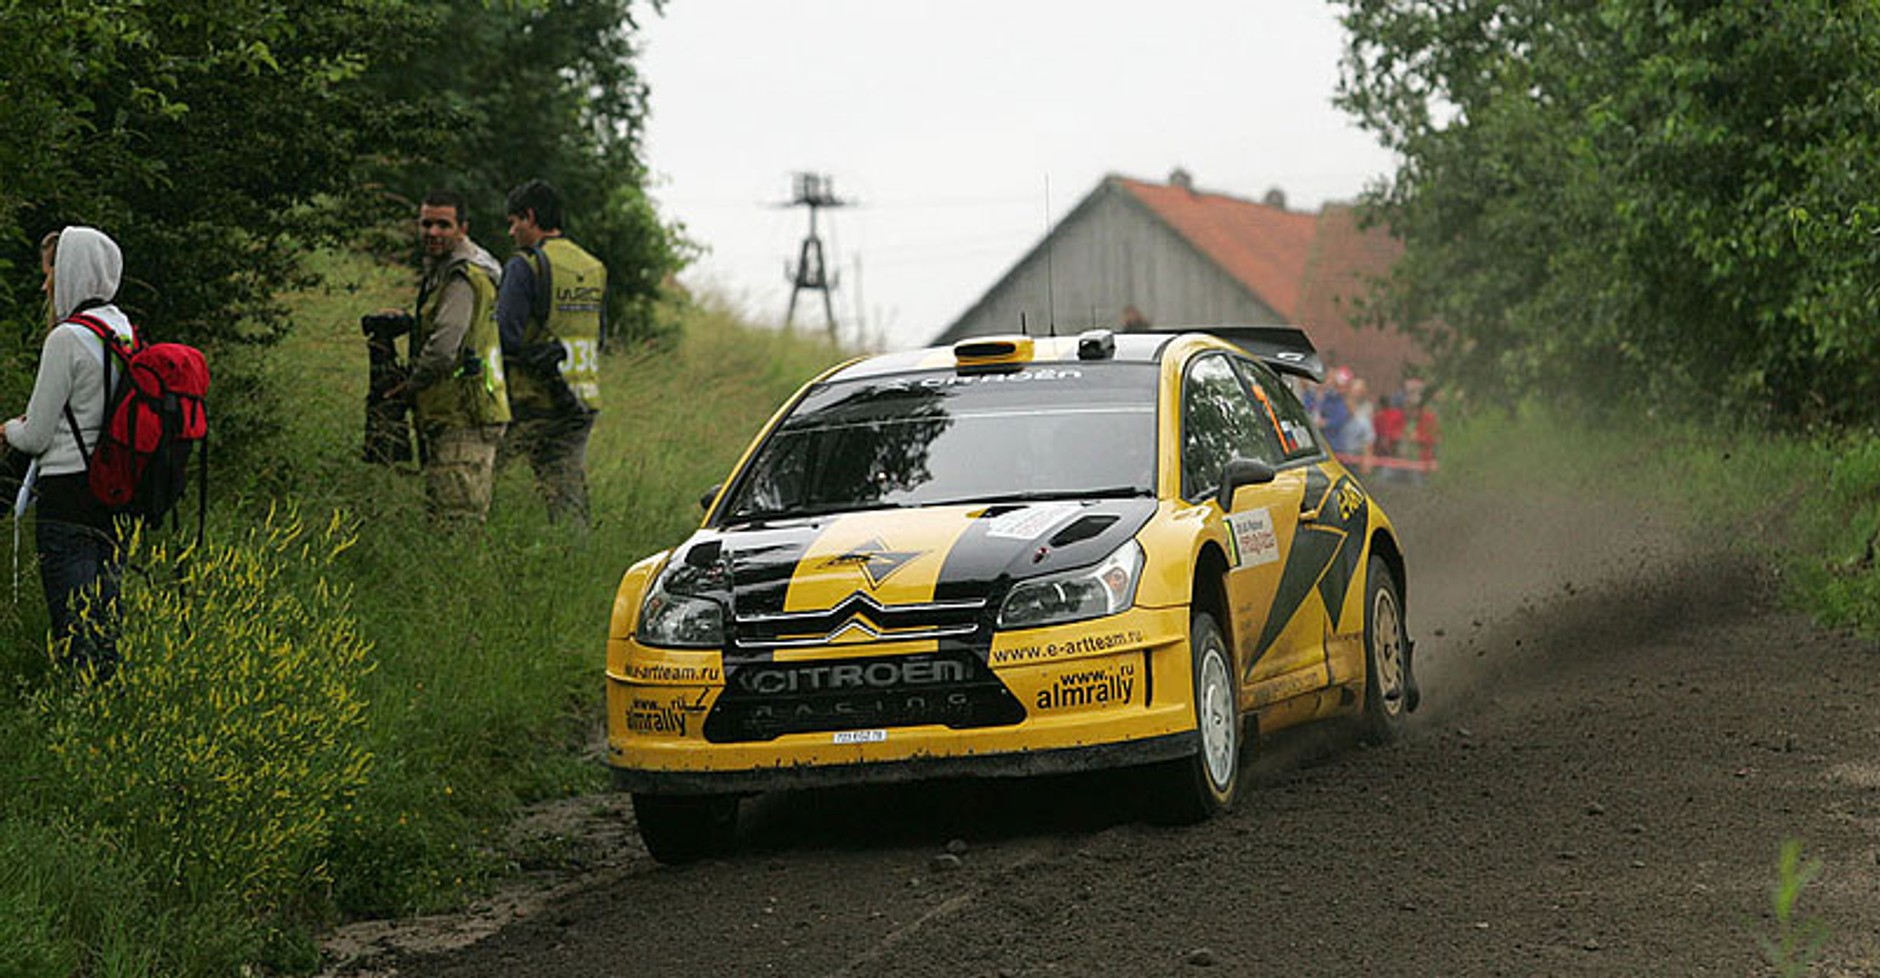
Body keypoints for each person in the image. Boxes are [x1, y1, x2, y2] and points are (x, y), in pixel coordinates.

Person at [1, 227, 136, 677]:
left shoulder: (66, 339)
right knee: (105, 628)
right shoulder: (123, 331)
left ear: (73, 272)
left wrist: (7, 429)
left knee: (74, 632)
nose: (45, 285)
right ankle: (108, 720)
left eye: (51, 273)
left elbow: (37, 436)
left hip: (65, 496)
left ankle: (79, 717)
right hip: (114, 491)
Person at [384, 190, 511, 523]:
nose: (433, 232)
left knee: (458, 523)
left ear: (462, 228)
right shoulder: (454, 270)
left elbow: (443, 348)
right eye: (427, 224)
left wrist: (410, 386)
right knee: (450, 516)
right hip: (464, 409)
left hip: (463, 414)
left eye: (444, 224)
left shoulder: (461, 276)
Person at [495, 178, 607, 528]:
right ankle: (577, 565)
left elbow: (504, 337)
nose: (512, 232)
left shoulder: (525, 265)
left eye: (514, 222)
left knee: (479, 480)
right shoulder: (593, 267)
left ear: (530, 217)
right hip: (581, 400)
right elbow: (598, 335)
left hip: (529, 400)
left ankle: (466, 554)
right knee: (568, 501)